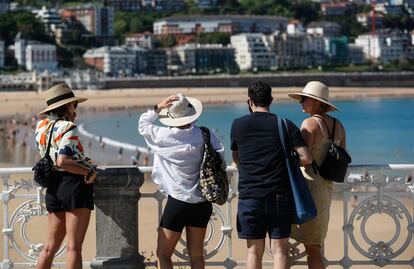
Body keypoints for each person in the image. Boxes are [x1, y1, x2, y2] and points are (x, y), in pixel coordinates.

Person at [230, 81, 312, 269]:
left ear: (249, 101)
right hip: (279, 196)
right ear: (271, 100)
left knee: (253, 252)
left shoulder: (238, 125)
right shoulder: (285, 125)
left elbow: (237, 158)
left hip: (250, 196)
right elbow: (306, 158)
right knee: (280, 251)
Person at [138, 93, 225, 269]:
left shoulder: (162, 136)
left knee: (163, 254)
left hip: (177, 202)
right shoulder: (204, 134)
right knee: (197, 255)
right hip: (202, 201)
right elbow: (221, 159)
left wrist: (158, 107)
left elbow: (143, 124)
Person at [34, 83, 97, 269]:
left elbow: (52, 155)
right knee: (73, 247)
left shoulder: (41, 126)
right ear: (67, 106)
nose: (75, 107)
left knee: (49, 248)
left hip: (52, 185)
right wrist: (89, 171)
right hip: (73, 185)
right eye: (74, 104)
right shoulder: (69, 127)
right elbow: (63, 161)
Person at [289, 81, 347, 269]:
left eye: (304, 99)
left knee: (308, 247)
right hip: (326, 188)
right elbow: (343, 155)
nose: (301, 103)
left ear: (315, 102)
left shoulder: (309, 124)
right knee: (315, 245)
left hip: (308, 188)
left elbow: (302, 157)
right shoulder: (338, 126)